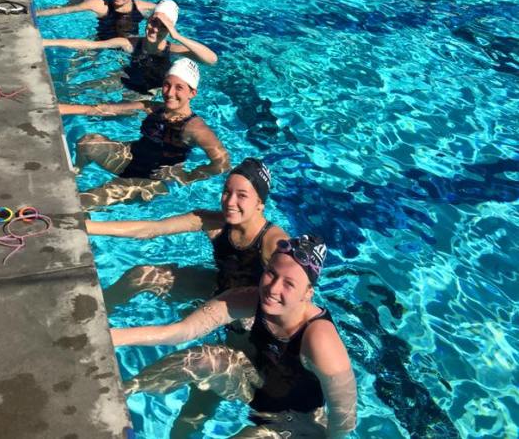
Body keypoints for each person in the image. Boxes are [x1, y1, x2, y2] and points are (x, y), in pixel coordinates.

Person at [112, 233, 357, 439]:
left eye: (289, 284)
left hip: (293, 418)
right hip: (254, 385)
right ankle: (125, 390)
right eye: (271, 273)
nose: (273, 289)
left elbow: (344, 416)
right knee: (209, 356)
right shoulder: (250, 298)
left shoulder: (320, 339)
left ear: (308, 293)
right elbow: (180, 331)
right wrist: (112, 337)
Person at [88, 158, 287, 308]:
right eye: (227, 192)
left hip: (248, 309)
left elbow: (291, 295)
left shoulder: (275, 243)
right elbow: (151, 229)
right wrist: (85, 227)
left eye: (242, 195)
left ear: (260, 203)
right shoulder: (214, 223)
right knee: (140, 275)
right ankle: (101, 312)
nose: (230, 202)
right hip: (217, 286)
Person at [60, 58, 230, 207]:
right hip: (130, 159)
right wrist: (61, 109)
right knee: (87, 142)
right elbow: (105, 109)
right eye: (167, 85)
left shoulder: (195, 128)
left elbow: (222, 163)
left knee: (86, 199)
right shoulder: (152, 108)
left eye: (179, 87)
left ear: (192, 93)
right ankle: (78, 171)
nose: (170, 93)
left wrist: (187, 177)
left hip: (153, 180)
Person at [43, 0, 217, 95]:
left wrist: (177, 35)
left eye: (162, 26)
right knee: (78, 88)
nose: (154, 28)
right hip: (126, 79)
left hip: (151, 93)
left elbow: (211, 60)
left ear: (170, 29)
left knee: (117, 110)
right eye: (153, 22)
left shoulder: (173, 50)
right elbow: (90, 44)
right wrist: (47, 43)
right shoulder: (131, 43)